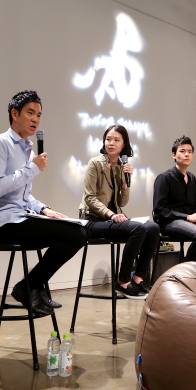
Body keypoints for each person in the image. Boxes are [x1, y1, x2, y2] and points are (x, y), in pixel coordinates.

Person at [0, 91, 88, 316]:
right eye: (30, 113)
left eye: (38, 115)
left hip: (21, 217)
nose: (35, 119)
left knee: (77, 232)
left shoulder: (27, 149)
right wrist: (32, 168)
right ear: (14, 114)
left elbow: (23, 196)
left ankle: (34, 286)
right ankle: (29, 287)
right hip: (2, 224)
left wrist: (44, 209)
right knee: (74, 235)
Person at [79, 124, 160, 298]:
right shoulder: (95, 163)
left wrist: (126, 184)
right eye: (108, 139)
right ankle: (122, 281)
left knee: (153, 228)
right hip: (92, 220)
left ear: (124, 145)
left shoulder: (120, 167)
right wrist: (112, 215)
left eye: (116, 140)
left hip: (111, 219)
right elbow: (89, 198)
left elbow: (122, 202)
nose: (111, 143)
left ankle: (138, 278)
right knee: (137, 229)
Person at [153, 136, 196, 262]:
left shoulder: (193, 180)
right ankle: (186, 268)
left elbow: (193, 207)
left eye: (190, 152)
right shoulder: (164, 178)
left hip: (188, 221)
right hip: (168, 222)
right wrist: (187, 217)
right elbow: (159, 210)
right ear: (174, 155)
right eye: (182, 151)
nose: (187, 154)